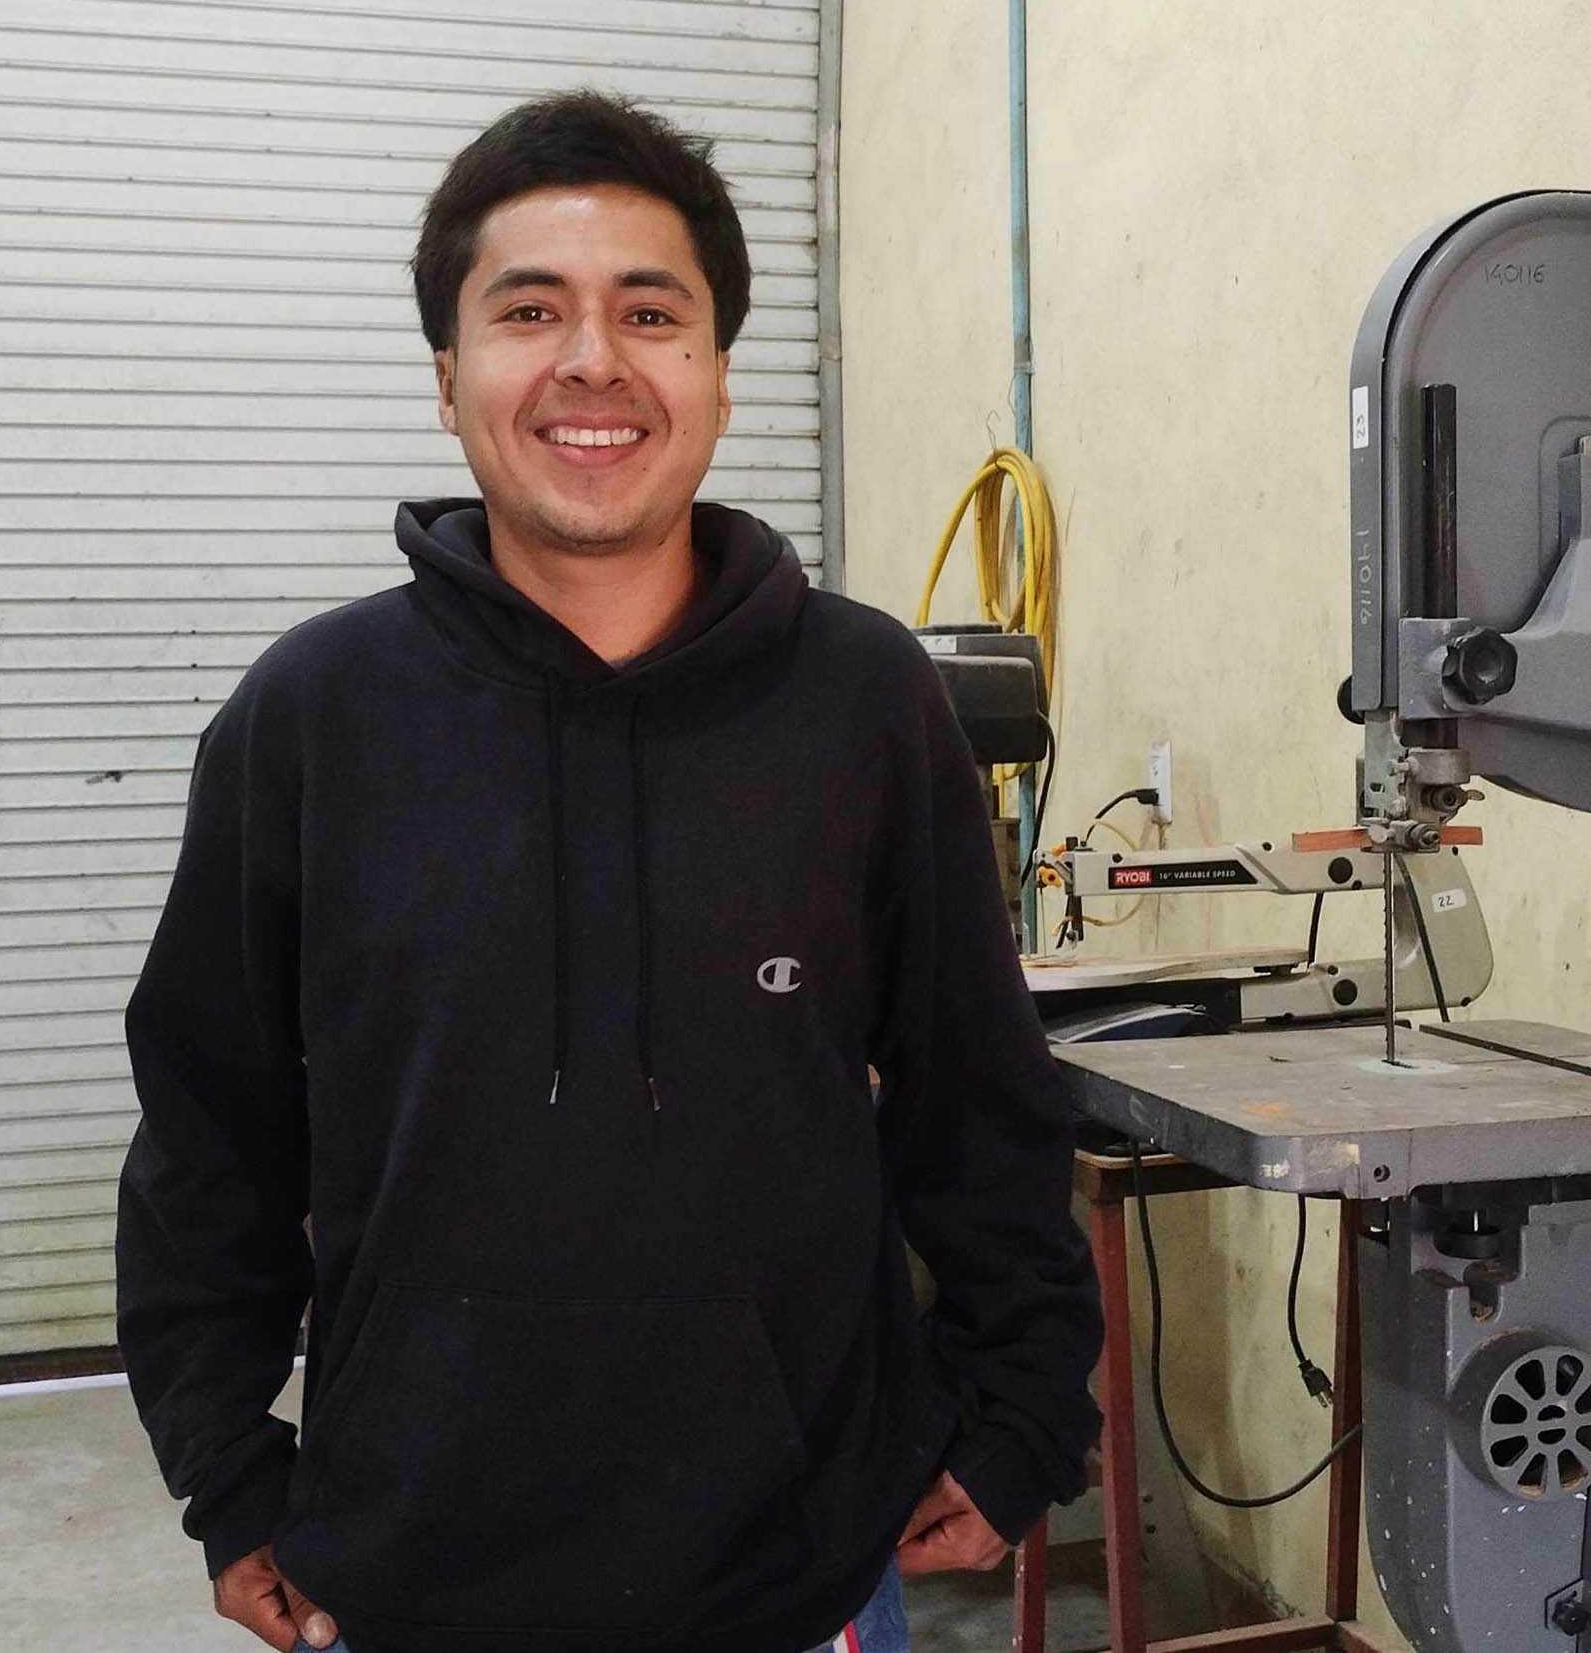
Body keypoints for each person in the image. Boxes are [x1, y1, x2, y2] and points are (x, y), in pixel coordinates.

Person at [115, 90, 1103, 1653]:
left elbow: (978, 1096)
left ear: (716, 374)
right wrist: (227, 1471)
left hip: (800, 1576)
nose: (593, 361)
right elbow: (207, 1141)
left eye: (651, 313)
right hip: (406, 1579)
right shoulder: (308, 718)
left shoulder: (864, 703)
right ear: (449, 377)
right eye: (529, 311)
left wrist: (1025, 1414)